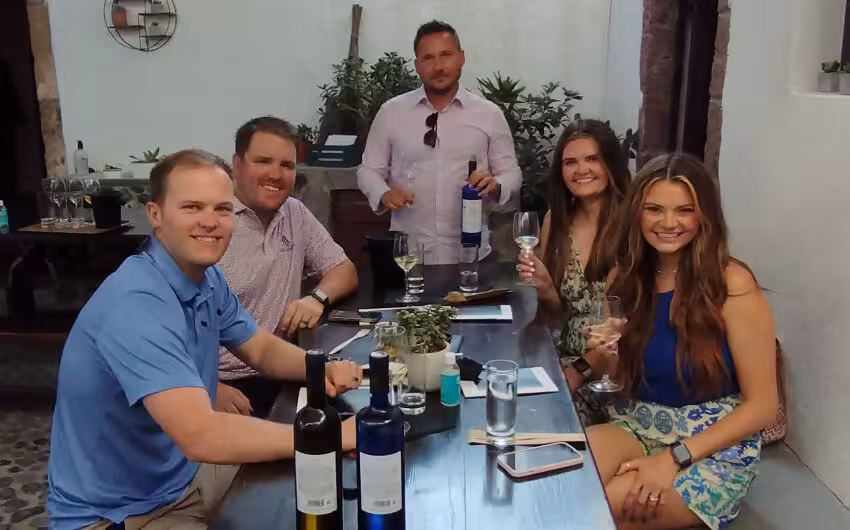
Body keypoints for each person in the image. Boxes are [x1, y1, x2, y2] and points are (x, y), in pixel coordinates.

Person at [47, 150, 362, 530]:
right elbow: (201, 434)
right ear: (155, 215)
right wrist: (327, 435)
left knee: (313, 493)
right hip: (119, 516)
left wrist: (320, 369)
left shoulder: (204, 279)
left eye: (222, 209)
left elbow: (259, 348)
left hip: (180, 478)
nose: (210, 222)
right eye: (192, 207)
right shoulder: (136, 305)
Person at [585, 153, 778, 530]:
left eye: (684, 210)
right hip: (635, 423)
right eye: (654, 209)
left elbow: (763, 407)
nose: (668, 223)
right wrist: (605, 355)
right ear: (637, 212)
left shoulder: (731, 284)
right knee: (563, 481)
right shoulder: (623, 279)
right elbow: (621, 376)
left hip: (710, 444)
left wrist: (672, 459)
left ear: (703, 215)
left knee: (602, 510)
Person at [216, 117, 358, 418]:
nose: (276, 174)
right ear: (237, 165)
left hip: (284, 367)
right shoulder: (213, 222)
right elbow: (165, 329)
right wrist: (206, 387)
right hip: (228, 383)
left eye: (286, 165)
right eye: (263, 161)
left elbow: (344, 269)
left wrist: (316, 298)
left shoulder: (294, 213)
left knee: (369, 421)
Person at [357, 20, 521, 264]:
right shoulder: (391, 113)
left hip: (471, 255)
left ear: (461, 57)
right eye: (428, 58)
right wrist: (384, 194)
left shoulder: (489, 114)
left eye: (446, 55)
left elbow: (512, 173)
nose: (439, 66)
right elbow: (368, 170)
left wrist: (495, 185)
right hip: (408, 257)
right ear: (417, 65)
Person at [516, 119, 630, 424]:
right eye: (570, 162)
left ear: (611, 164)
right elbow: (558, 314)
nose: (581, 170)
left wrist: (576, 373)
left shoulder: (633, 223)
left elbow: (623, 325)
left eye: (592, 159)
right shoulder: (556, 221)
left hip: (617, 368)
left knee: (549, 424)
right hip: (565, 357)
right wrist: (545, 288)